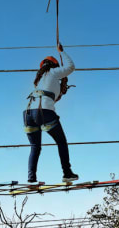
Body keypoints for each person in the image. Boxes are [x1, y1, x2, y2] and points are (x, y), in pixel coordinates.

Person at [23, 43, 79, 184]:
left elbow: (54, 97)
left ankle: (31, 178)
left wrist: (62, 84)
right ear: (54, 66)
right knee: (61, 142)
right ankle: (67, 173)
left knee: (35, 147)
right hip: (44, 112)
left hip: (28, 113)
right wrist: (62, 52)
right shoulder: (54, 73)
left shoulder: (39, 81)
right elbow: (71, 67)